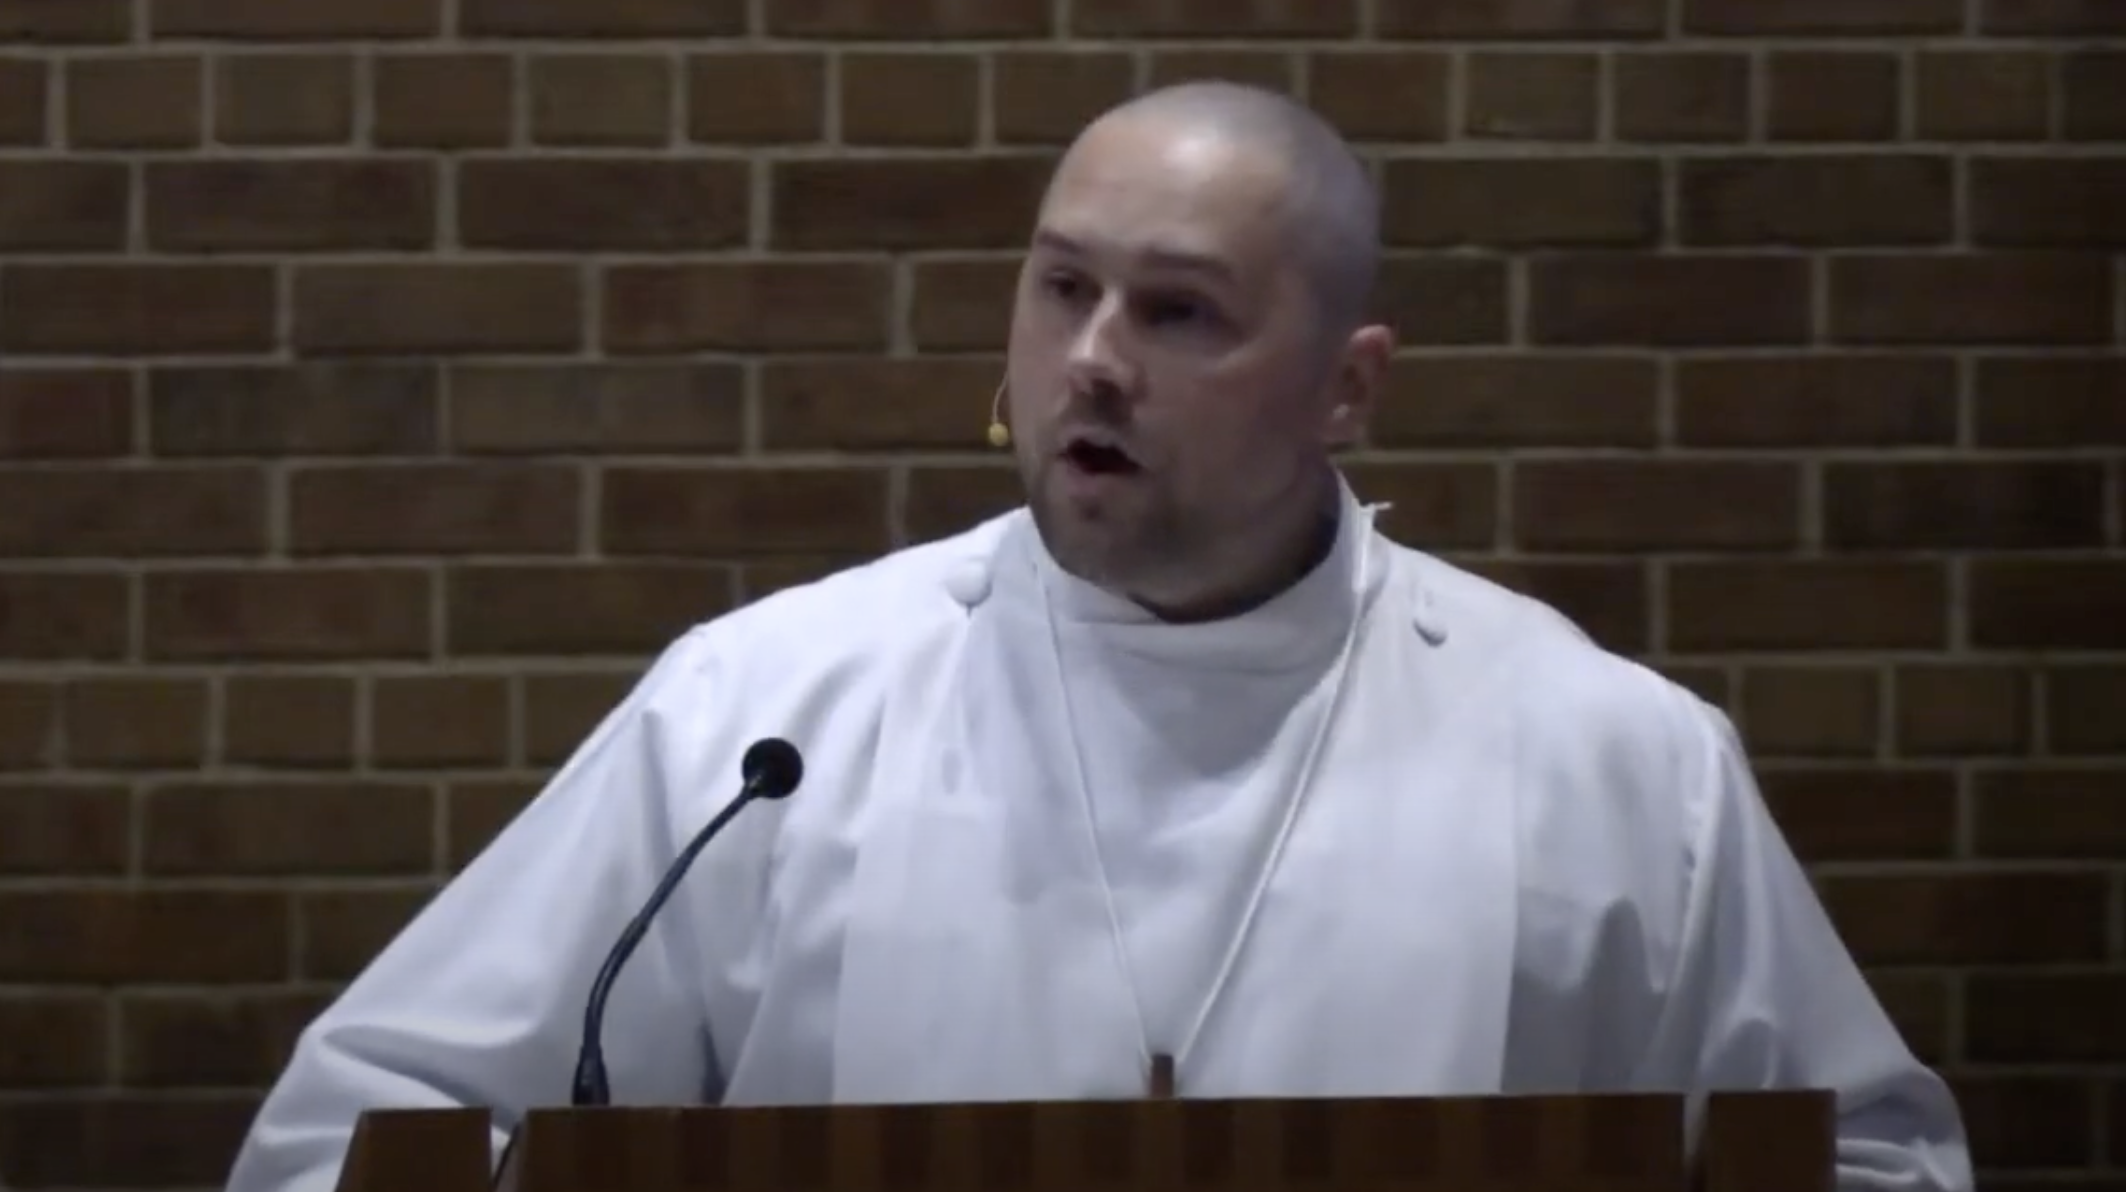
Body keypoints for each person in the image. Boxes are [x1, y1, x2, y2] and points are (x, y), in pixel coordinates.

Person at [223, 82, 1972, 1192]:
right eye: (1061, 286)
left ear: (1347, 387)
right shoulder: (768, 720)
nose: (1092, 362)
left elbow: (1870, 1161)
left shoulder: (1608, 758)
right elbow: (355, 1136)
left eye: (1179, 311)